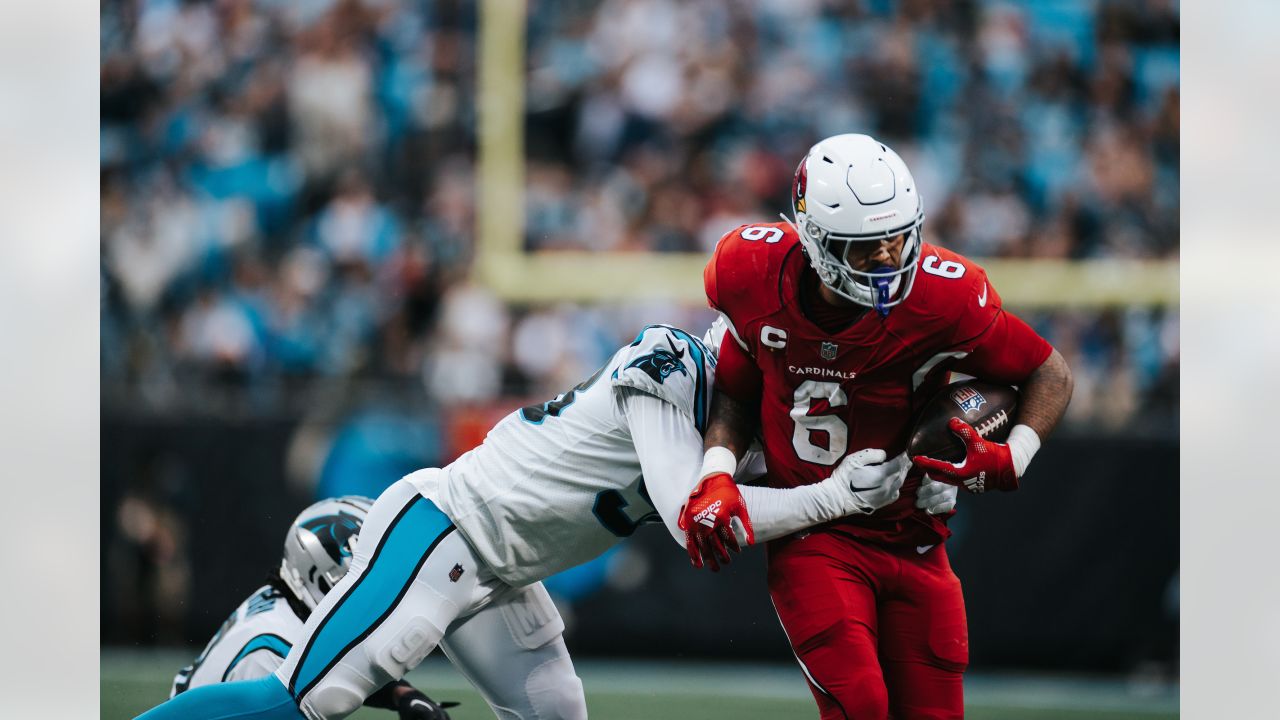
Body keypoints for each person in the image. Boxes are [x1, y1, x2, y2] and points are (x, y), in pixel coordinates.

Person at [135, 324, 914, 720]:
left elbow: (787, 496)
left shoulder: (731, 432)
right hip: (445, 528)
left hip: (505, 573)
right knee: (308, 698)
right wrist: (837, 495)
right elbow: (694, 518)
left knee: (555, 713)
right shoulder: (670, 362)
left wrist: (906, 479)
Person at [680, 133, 1074, 719]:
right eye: (865, 249)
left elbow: (1048, 372)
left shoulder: (944, 294)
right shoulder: (753, 271)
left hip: (916, 538)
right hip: (819, 535)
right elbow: (737, 390)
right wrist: (717, 471)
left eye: (899, 238)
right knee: (860, 705)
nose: (890, 259)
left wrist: (1012, 456)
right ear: (813, 239)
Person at [170, 496, 455, 720]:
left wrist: (401, 694)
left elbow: (325, 658)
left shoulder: (288, 603)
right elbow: (309, 668)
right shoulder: (270, 654)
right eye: (363, 578)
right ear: (322, 577)